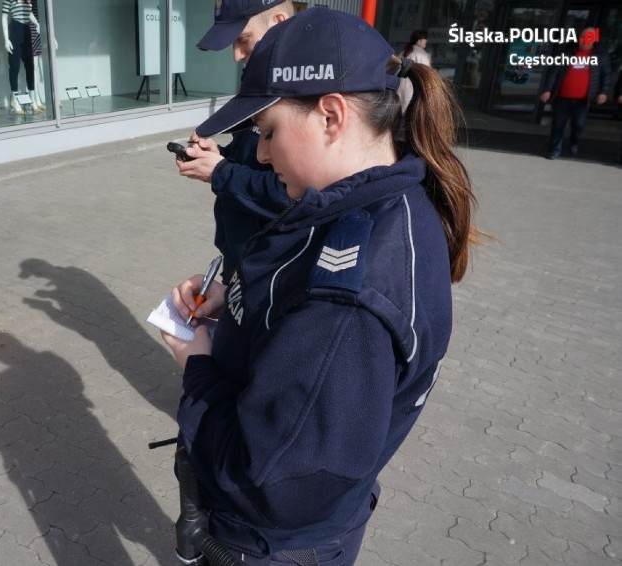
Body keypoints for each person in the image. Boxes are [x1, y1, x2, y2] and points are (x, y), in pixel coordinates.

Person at [161, 7, 482, 565]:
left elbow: (271, 482)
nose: (260, 153)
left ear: (331, 115)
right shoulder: (370, 204)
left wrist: (197, 366)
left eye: (269, 132)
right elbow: (291, 305)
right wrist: (234, 300)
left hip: (270, 543)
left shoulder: (350, 298)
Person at [175, 0, 295, 285]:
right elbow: (252, 156)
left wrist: (220, 172)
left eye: (243, 39)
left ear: (278, 23)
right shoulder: (257, 82)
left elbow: (293, 195)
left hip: (273, 268)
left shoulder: (301, 96)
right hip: (242, 256)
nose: (236, 55)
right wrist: (220, 156)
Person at [539, 28, 611, 160]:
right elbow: (553, 72)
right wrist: (547, 89)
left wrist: (604, 92)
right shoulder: (567, 52)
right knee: (557, 125)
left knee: (578, 125)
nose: (584, 41)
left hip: (582, 100)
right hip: (562, 97)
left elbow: (606, 75)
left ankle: (574, 142)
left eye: (589, 38)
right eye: (583, 37)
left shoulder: (600, 55)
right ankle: (554, 150)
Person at [2, 0, 41, 114]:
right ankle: (15, 100)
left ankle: (32, 100)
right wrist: (6, 39)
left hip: (26, 29)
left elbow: (29, 13)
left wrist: (36, 23)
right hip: (15, 29)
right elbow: (4, 17)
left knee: (30, 66)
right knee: (14, 66)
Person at [396, 29, 431, 113]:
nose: (426, 41)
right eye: (425, 39)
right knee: (408, 112)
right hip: (413, 86)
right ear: (419, 41)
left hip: (399, 85)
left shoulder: (404, 52)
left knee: (398, 111)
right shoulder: (422, 54)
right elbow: (427, 73)